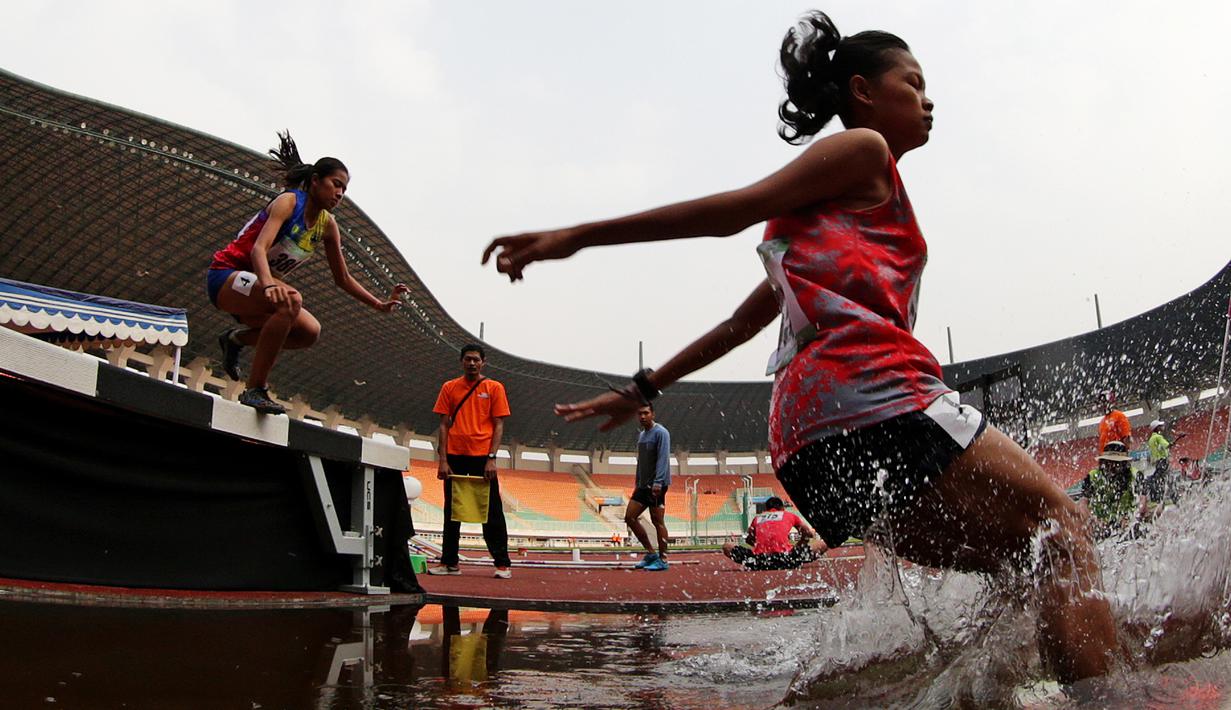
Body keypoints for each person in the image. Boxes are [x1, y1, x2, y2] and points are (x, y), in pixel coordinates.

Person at [482, 11, 1117, 682]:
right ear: (863, 92)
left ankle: (972, 690)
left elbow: (741, 322)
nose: (928, 101)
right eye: (914, 83)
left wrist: (644, 388)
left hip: (807, 448)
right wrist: (576, 236)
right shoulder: (863, 150)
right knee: (1062, 526)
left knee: (1022, 559)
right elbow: (733, 212)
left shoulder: (822, 224)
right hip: (875, 400)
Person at [208, 131, 408, 414]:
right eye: (335, 185)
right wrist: (268, 284)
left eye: (344, 190)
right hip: (226, 277)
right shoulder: (289, 202)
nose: (339, 194)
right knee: (291, 299)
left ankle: (234, 339)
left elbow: (343, 278)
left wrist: (379, 304)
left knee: (309, 332)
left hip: (258, 291)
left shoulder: (328, 225)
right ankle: (255, 389)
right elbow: (258, 250)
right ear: (315, 181)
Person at [427, 344, 513, 579]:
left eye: (476, 359)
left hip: (483, 458)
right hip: (455, 456)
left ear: (483, 362)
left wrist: (492, 458)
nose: (472, 363)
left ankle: (502, 563)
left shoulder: (494, 387)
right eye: (468, 359)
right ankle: (449, 563)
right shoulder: (450, 387)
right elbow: (443, 425)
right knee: (452, 511)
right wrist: (442, 460)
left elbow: (499, 424)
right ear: (461, 361)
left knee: (492, 511)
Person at [723, 496, 827, 571]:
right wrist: (802, 541)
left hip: (759, 561)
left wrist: (762, 547)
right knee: (824, 543)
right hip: (786, 559)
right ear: (782, 508)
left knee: (727, 546)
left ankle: (761, 558)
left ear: (766, 509)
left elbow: (749, 540)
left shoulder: (758, 518)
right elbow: (808, 533)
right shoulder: (788, 514)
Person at [625, 404, 671, 571]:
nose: (642, 416)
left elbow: (663, 458)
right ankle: (651, 553)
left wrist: (658, 482)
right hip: (643, 485)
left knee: (657, 521)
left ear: (653, 414)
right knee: (629, 517)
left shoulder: (661, 433)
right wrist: (638, 481)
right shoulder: (642, 435)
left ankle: (663, 559)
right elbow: (641, 462)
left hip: (657, 485)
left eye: (646, 413)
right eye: (640, 413)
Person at [1082, 441, 1148, 538]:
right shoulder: (1092, 477)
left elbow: (1143, 501)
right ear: (1103, 462)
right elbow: (1082, 504)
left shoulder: (1135, 475)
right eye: (1109, 462)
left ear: (1124, 463)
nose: (1112, 466)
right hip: (1100, 526)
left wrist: (1133, 518)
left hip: (1127, 525)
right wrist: (1093, 519)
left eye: (1117, 463)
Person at [1144, 419, 1177, 504]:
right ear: (1157, 428)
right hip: (1163, 461)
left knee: (1159, 480)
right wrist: (1176, 440)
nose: (1162, 427)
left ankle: (1156, 497)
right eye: (1160, 426)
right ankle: (1174, 498)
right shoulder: (1158, 437)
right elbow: (1167, 445)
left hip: (1157, 462)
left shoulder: (1151, 439)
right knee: (1169, 479)